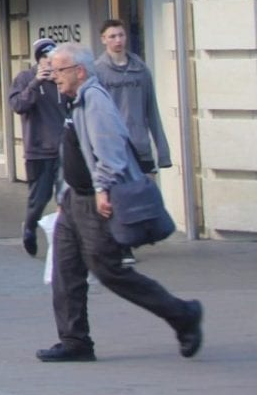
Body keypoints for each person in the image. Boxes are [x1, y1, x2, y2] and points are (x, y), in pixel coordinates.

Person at [37, 42, 202, 363]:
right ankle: (75, 341)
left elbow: (110, 152)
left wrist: (102, 190)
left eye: (59, 70)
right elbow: (71, 152)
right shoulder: (75, 100)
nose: (54, 76)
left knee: (110, 271)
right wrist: (62, 196)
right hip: (74, 199)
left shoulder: (95, 101)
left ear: (79, 71)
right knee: (64, 271)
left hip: (95, 201)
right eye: (53, 69)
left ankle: (183, 314)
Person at [92, 19, 171, 175]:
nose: (118, 40)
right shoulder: (97, 72)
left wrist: (163, 155)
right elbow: (94, 116)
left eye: (121, 35)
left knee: (146, 197)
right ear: (103, 39)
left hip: (141, 147)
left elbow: (152, 112)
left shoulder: (141, 70)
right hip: (113, 150)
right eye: (112, 36)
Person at [10, 37, 63, 257]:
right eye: (45, 59)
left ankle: (63, 242)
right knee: (39, 199)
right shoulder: (25, 78)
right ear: (38, 60)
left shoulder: (62, 79)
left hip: (64, 149)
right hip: (38, 150)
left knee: (65, 198)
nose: (49, 64)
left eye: (53, 59)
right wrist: (36, 83)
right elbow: (18, 106)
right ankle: (30, 227)